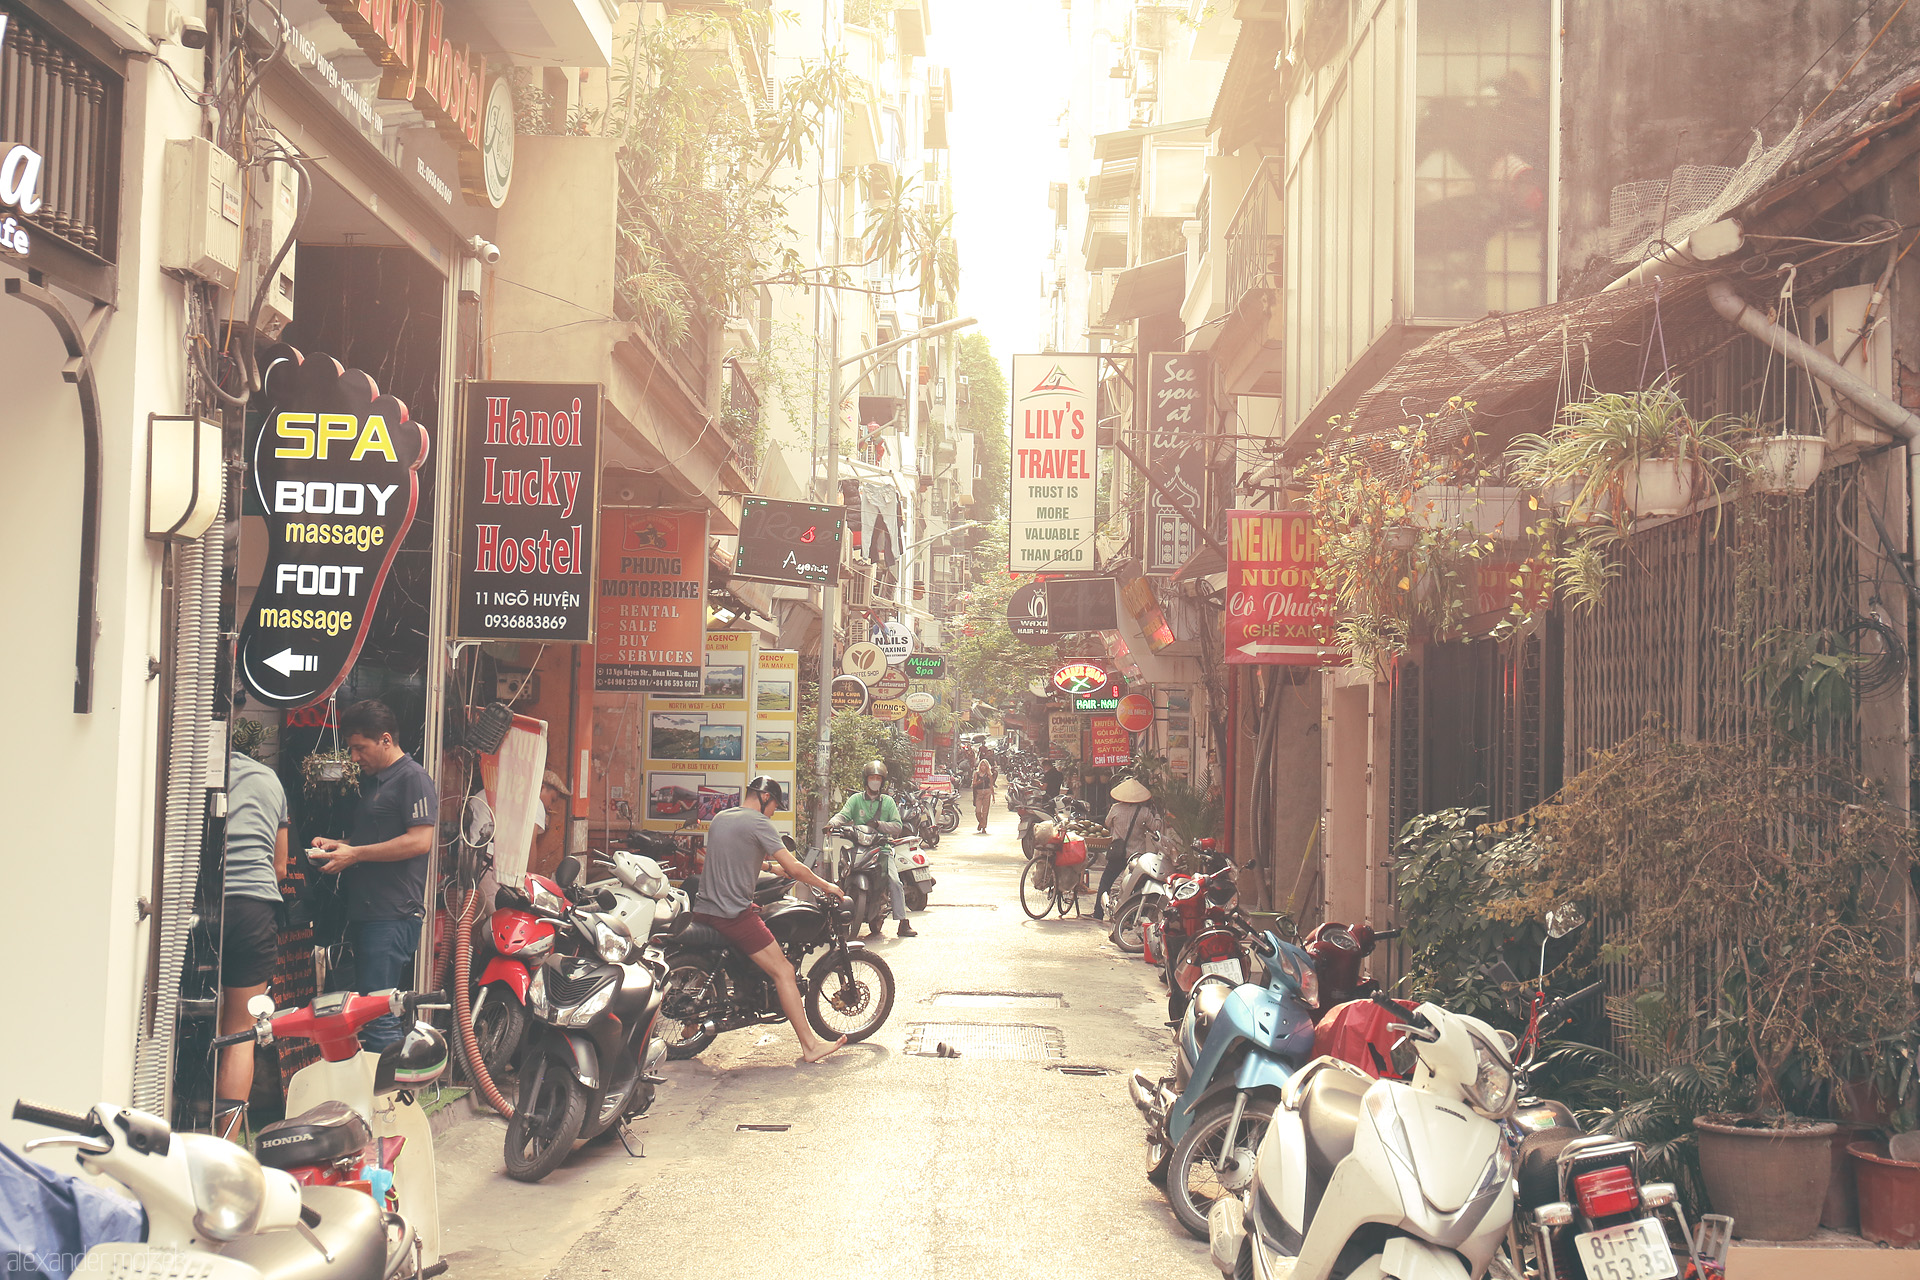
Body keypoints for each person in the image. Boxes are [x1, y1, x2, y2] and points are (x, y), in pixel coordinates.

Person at [691, 777, 850, 1063]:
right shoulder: (759, 822)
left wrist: (768, 867)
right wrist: (826, 885)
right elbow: (795, 867)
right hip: (731, 914)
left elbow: (734, 858)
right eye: (775, 805)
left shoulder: (721, 818)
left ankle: (693, 1024)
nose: (774, 812)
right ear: (765, 797)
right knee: (784, 971)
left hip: (704, 908)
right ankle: (810, 1046)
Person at [310, 700, 438, 1051]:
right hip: (369, 913)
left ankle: (388, 1088)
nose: (354, 758)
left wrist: (355, 854)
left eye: (360, 748)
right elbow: (375, 841)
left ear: (385, 740)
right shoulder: (376, 781)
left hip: (392, 915)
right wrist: (339, 846)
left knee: (379, 1018)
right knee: (366, 1015)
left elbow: (420, 841)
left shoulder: (413, 778)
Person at [216, 747, 289, 1140]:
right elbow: (280, 867)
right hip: (253, 909)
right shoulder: (269, 779)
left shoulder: (187, 771)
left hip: (196, 904)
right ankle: (224, 1146)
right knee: (239, 1030)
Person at [834, 760, 917, 937]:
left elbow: (897, 826)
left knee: (895, 881)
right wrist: (831, 824)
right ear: (866, 780)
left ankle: (903, 922)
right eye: (872, 777)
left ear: (882, 781)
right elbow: (843, 815)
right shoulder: (856, 800)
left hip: (882, 849)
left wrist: (879, 824)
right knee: (841, 874)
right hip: (858, 848)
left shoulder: (888, 802)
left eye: (878, 778)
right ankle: (835, 916)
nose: (875, 781)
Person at [1095, 776, 1162, 922]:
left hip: (1117, 854)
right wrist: (1157, 815)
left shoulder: (1115, 808)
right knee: (1135, 886)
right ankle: (1131, 916)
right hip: (1136, 856)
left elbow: (1107, 823)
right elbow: (1155, 827)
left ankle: (1098, 913)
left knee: (1106, 881)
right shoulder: (1144, 812)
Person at [529, 768, 570, 878]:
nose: (550, 806)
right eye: (552, 799)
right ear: (541, 788)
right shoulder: (536, 803)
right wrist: (530, 878)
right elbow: (530, 843)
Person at [970, 753, 997, 834]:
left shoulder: (989, 775)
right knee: (978, 811)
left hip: (987, 793)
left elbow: (991, 785)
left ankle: (984, 827)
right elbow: (973, 784)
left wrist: (993, 796)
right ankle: (981, 822)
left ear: (987, 766)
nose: (983, 767)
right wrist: (978, 782)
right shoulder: (976, 774)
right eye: (982, 765)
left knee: (985, 811)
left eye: (984, 765)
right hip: (979, 793)